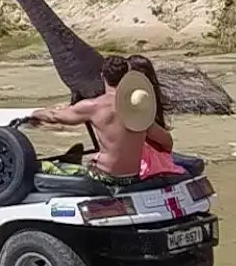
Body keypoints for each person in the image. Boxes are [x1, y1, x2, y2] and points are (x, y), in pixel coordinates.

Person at [28, 55, 147, 183]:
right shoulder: (139, 108)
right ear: (128, 76)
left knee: (41, 167)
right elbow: (166, 142)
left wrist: (36, 113)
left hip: (105, 177)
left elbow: (55, 116)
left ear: (102, 76)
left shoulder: (94, 106)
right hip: (133, 178)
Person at [128, 53, 184, 179]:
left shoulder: (139, 102)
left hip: (146, 160)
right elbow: (167, 143)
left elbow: (164, 140)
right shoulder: (150, 98)